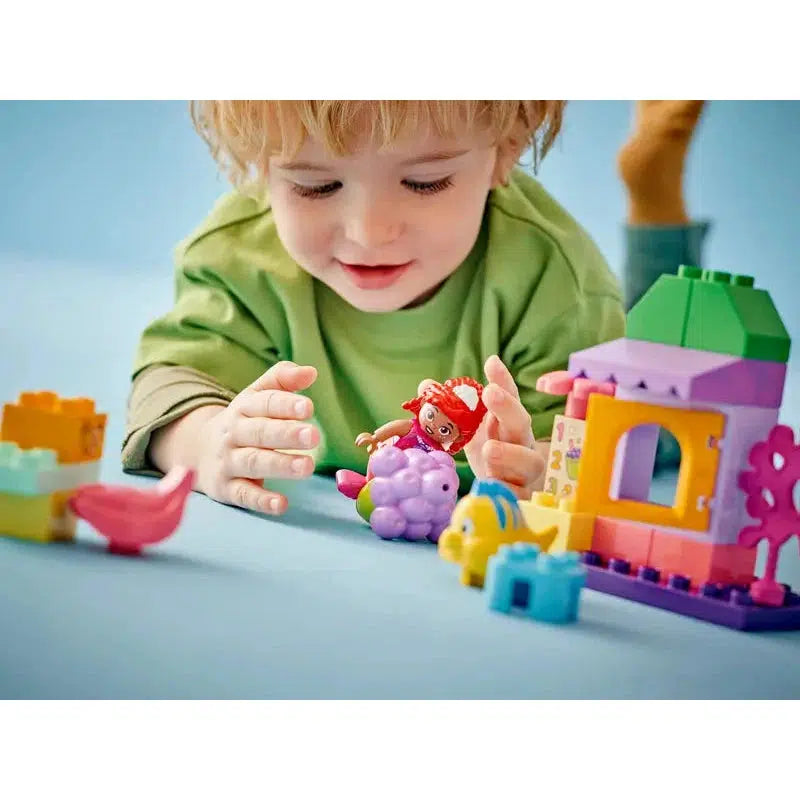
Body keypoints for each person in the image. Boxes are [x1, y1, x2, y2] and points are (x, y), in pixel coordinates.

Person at [123, 100, 704, 513]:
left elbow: (597, 446)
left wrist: (544, 470)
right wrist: (204, 443)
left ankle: (656, 197)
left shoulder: (554, 279)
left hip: (629, 392)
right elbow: (168, 385)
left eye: (425, 182)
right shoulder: (239, 257)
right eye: (315, 186)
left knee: (671, 414)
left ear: (506, 149)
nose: (369, 232)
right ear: (260, 164)